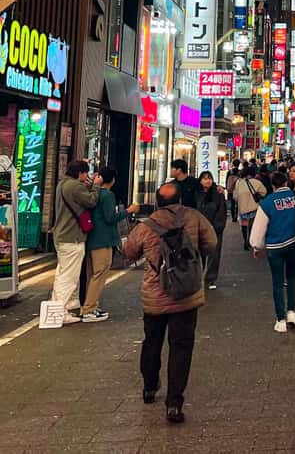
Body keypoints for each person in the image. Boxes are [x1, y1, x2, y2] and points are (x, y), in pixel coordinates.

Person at [122, 182, 217, 424]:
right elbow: (211, 243)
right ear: (180, 199)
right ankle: (174, 403)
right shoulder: (194, 217)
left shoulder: (147, 225)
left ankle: (149, 387)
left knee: (152, 341)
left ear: (157, 201)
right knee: (181, 347)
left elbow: (129, 252)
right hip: (186, 293)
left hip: (155, 295)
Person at [81, 166, 139, 322]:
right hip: (103, 239)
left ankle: (90, 306)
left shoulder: (93, 193)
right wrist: (129, 211)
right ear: (112, 180)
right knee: (99, 274)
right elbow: (110, 218)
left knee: (92, 274)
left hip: (92, 238)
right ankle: (89, 309)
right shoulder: (107, 195)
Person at [50, 160, 102, 324]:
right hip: (72, 237)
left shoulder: (62, 184)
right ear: (80, 173)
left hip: (61, 236)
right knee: (68, 277)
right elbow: (91, 201)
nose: (87, 176)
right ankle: (61, 312)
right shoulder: (75, 186)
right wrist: (96, 186)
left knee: (62, 274)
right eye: (86, 173)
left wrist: (88, 185)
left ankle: (57, 308)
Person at [249, 171, 295, 333]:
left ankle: (280, 320)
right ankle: (291, 312)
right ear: (286, 182)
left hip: (275, 247)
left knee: (278, 283)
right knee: (292, 278)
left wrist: (257, 247)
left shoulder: (267, 203)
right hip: (293, 243)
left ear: (272, 185)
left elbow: (258, 230)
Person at [196, 171, 227, 289]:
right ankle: (199, 278)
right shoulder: (196, 194)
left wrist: (217, 226)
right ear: (200, 181)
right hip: (199, 228)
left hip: (215, 228)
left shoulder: (218, 194)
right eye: (204, 178)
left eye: (209, 178)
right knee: (199, 253)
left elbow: (222, 211)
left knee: (214, 254)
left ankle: (210, 279)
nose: (207, 181)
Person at [233, 166, 267, 251]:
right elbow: (264, 192)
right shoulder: (257, 182)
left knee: (244, 224)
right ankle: (250, 241)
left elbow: (235, 196)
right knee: (251, 224)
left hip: (243, 207)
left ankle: (245, 241)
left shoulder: (239, 183)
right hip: (254, 206)